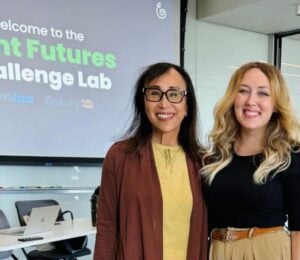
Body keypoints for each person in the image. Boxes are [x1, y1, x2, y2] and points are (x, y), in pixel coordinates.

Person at [94, 62, 208, 260]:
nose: (164, 104)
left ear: (187, 105)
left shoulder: (203, 162)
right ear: (143, 102)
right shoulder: (120, 156)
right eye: (155, 93)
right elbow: (107, 227)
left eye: (174, 94)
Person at [200, 61, 300, 260]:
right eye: (243, 91)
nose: (251, 101)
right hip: (218, 251)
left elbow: (299, 230)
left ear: (276, 105)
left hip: (266, 252)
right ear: (232, 98)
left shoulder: (290, 156)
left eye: (263, 93)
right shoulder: (216, 157)